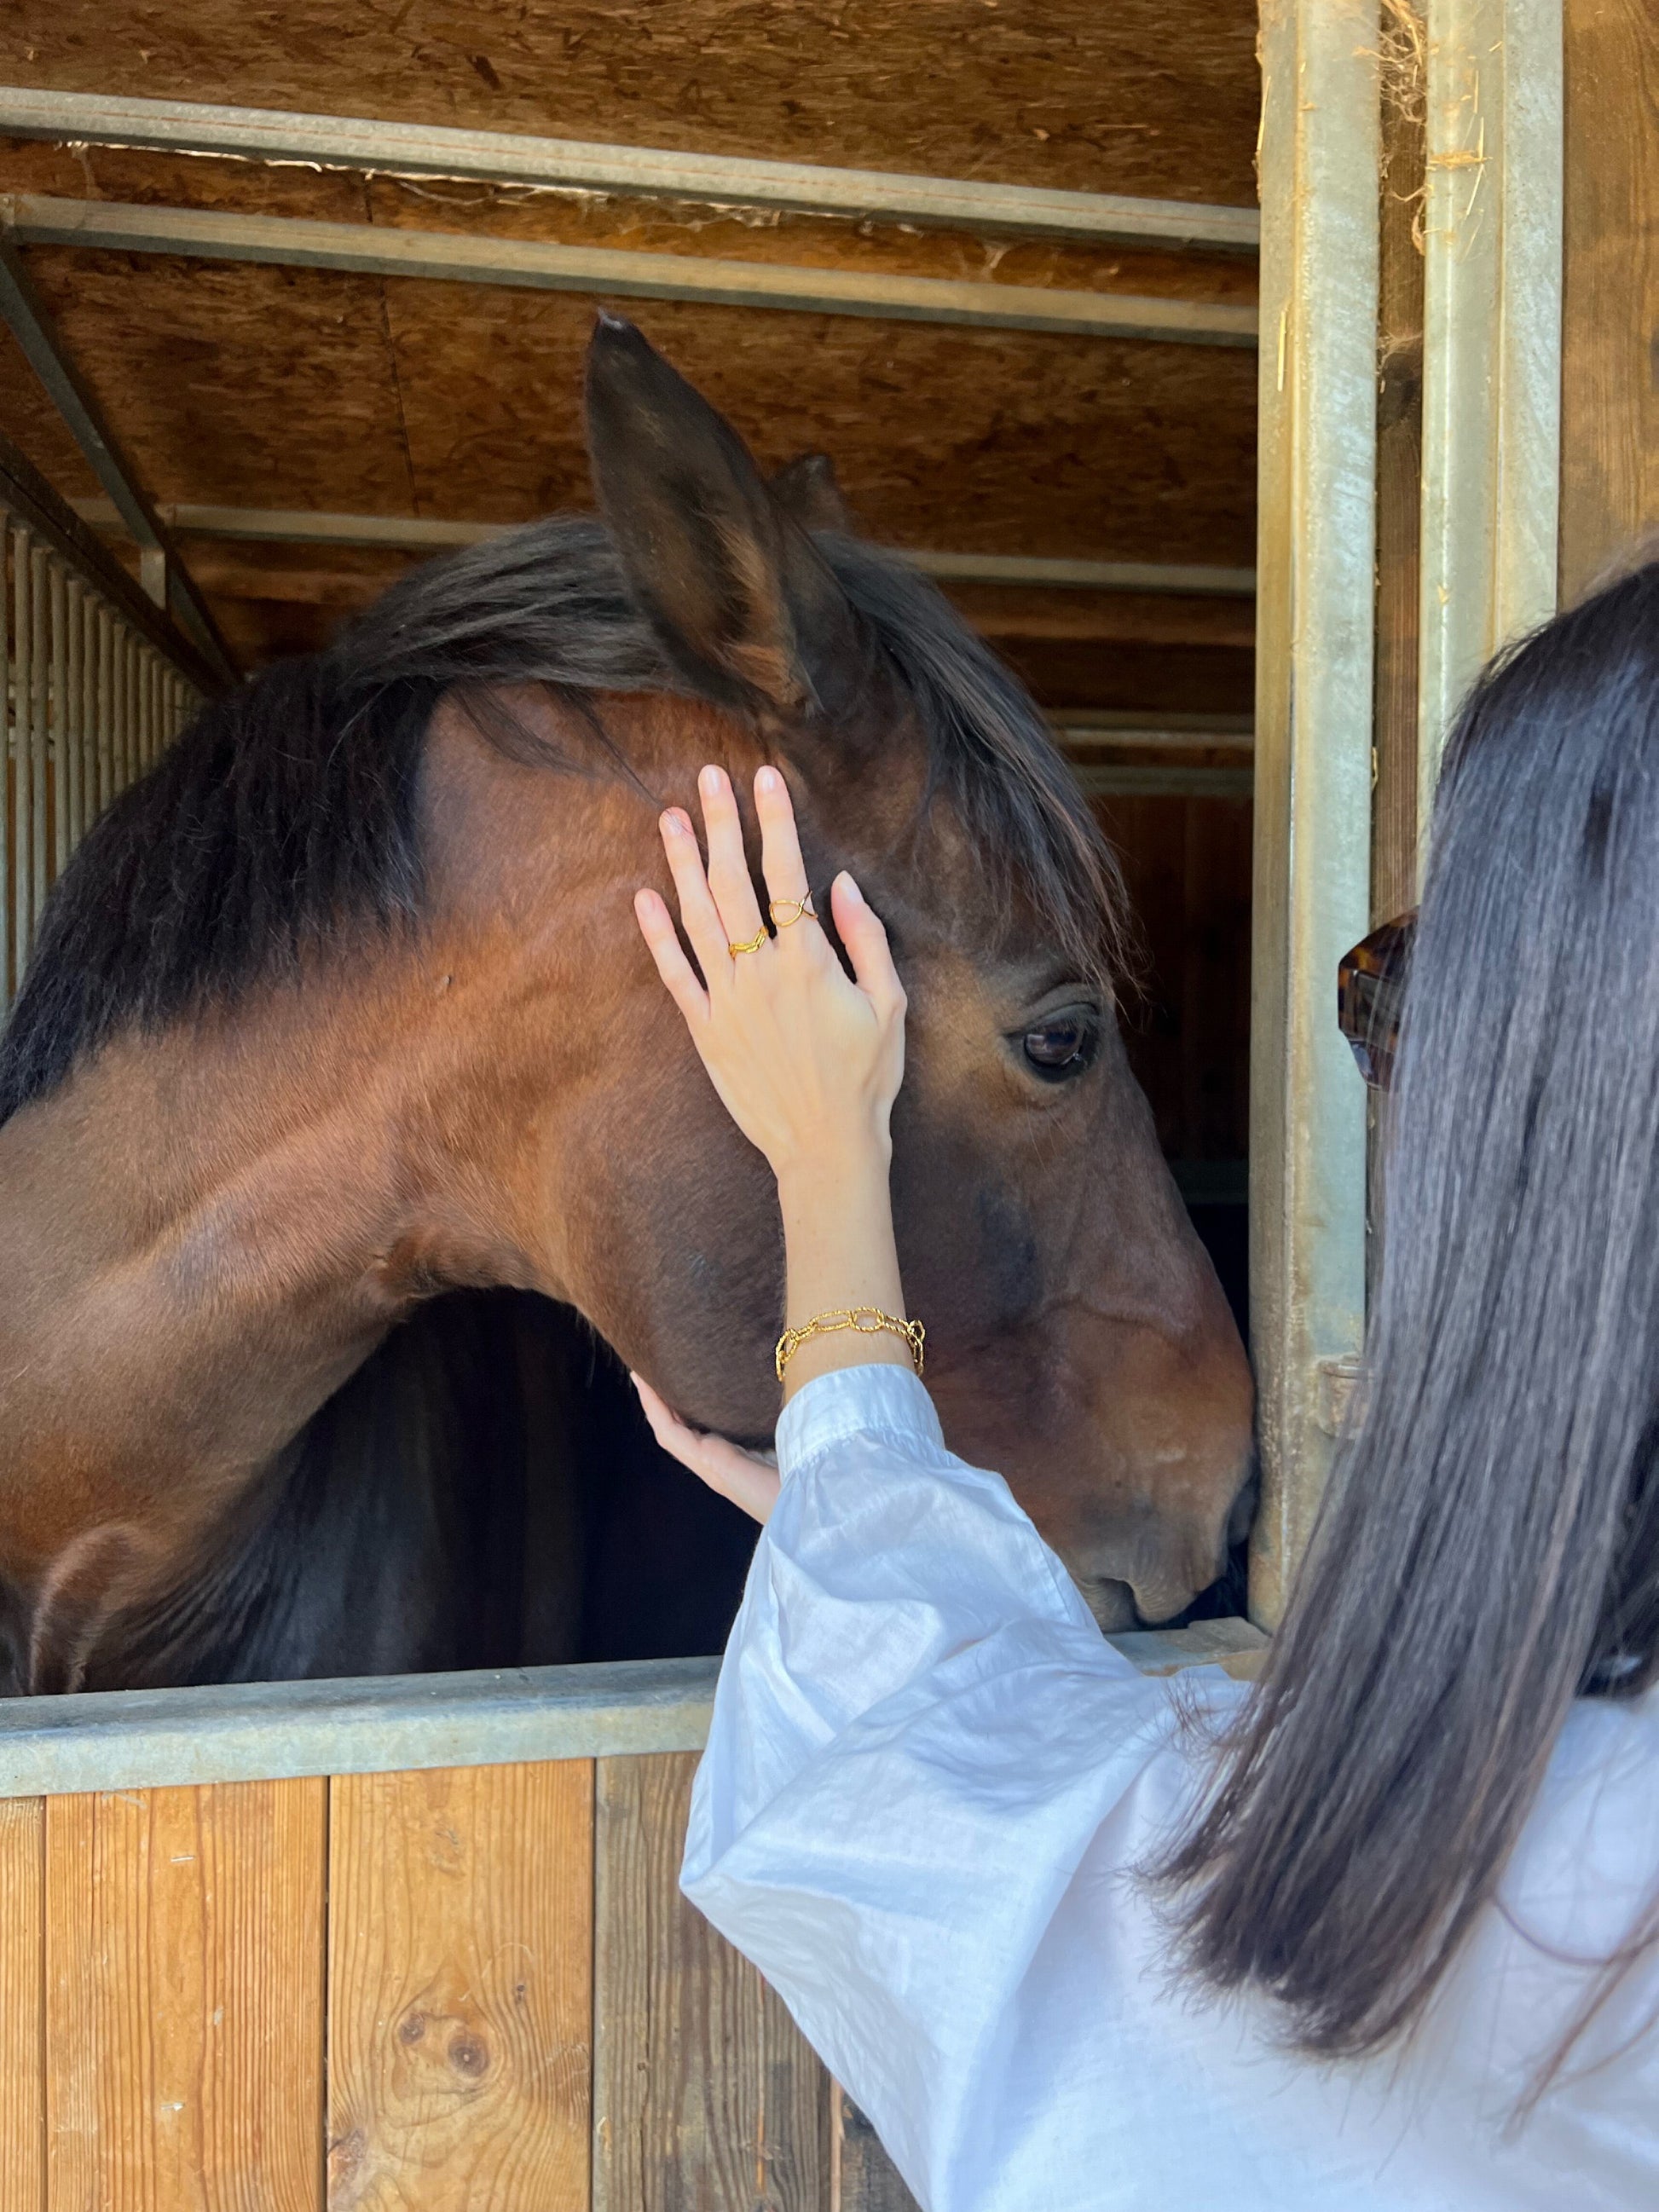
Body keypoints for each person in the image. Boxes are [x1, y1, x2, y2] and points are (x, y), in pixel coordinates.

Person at [627, 563, 1659, 2212]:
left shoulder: (1502, 1912)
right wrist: (893, 1517)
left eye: (1404, 1009)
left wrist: (828, 1181)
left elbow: (914, 1793)